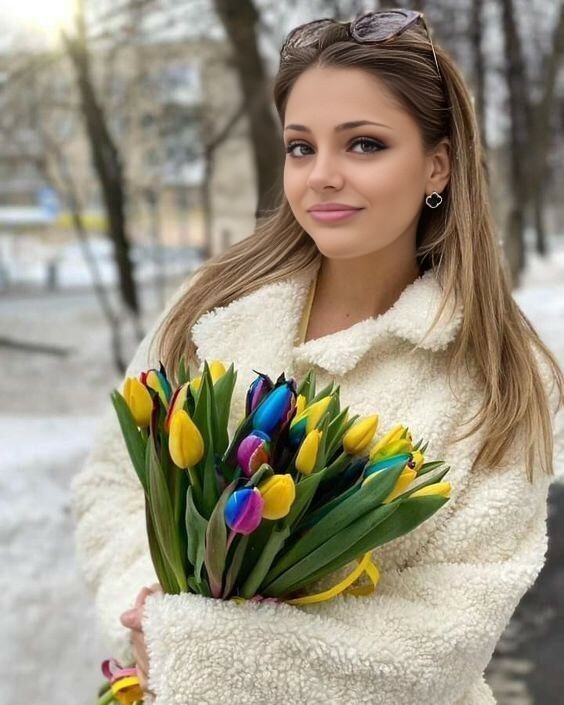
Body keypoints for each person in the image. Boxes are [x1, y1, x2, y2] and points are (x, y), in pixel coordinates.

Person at [71, 9, 564, 705]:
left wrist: (197, 651)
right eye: (301, 147)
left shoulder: (502, 378)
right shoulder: (211, 309)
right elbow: (113, 487)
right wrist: (147, 613)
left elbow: (445, 633)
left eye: (364, 144)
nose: (322, 176)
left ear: (438, 164)